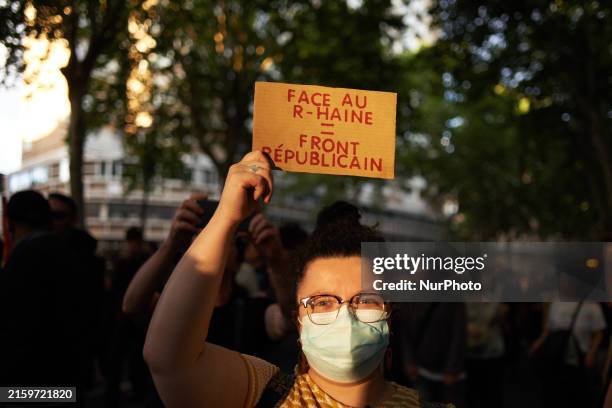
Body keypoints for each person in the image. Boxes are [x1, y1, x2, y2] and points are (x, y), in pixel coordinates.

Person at [143, 151, 451, 407]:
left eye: (365, 300)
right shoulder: (270, 394)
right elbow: (168, 358)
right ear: (298, 321)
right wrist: (227, 216)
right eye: (322, 302)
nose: (346, 317)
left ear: (391, 314)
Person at [0, 190, 85, 391]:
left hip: (26, 383)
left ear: (10, 223)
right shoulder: (71, 255)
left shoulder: (21, 260)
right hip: (65, 379)